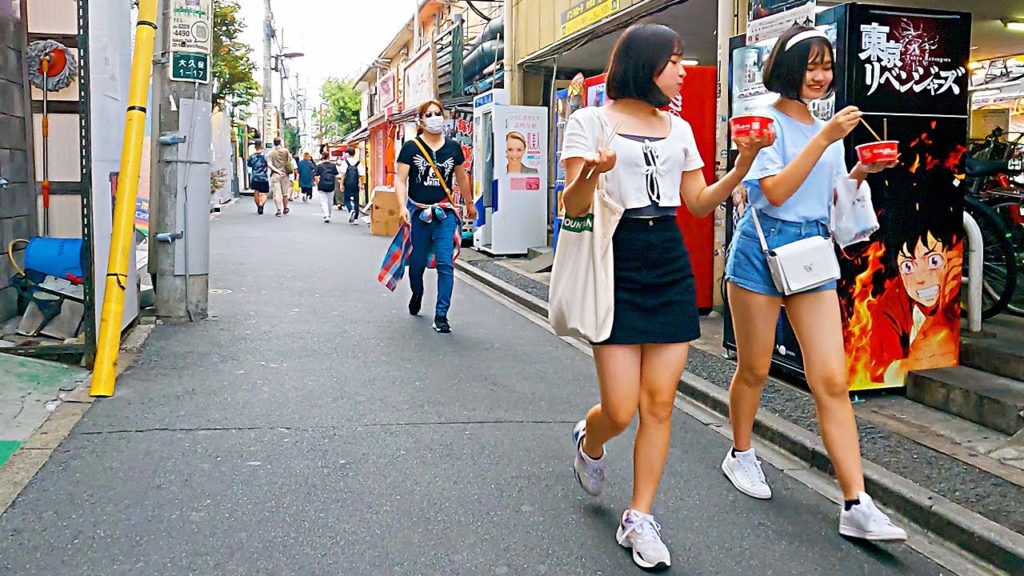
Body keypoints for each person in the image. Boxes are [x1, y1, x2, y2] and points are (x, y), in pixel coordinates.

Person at [560, 24, 772, 571]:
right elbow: (573, 207)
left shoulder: (680, 128)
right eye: (674, 60)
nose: (683, 69)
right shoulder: (590, 122)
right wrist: (593, 173)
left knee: (658, 404)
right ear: (645, 64)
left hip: (669, 262)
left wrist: (742, 166)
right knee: (620, 408)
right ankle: (590, 440)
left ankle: (639, 516)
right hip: (615, 261)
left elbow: (697, 202)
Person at [722, 24, 907, 542]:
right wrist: (825, 139)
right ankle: (740, 452)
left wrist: (861, 171)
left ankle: (856, 502)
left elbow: (829, 197)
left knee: (831, 379)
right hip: (761, 250)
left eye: (826, 67)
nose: (821, 77)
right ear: (788, 69)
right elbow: (776, 192)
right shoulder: (765, 124)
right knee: (754, 368)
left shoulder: (827, 129)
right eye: (811, 67)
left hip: (812, 253)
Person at [395, 99, 478, 334]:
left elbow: (461, 177)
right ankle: (417, 292)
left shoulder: (453, 148)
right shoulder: (411, 147)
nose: (434, 118)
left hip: (444, 213)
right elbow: (400, 180)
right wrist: (402, 207)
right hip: (418, 214)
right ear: (421, 121)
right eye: (429, 114)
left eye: (437, 113)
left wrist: (469, 203)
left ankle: (441, 315)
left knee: (445, 263)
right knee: (417, 262)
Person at [267, 138, 294, 217]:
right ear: (280, 142)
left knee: (277, 193)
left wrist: (278, 171)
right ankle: (285, 208)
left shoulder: (271, 153)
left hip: (275, 175)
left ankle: (278, 210)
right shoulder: (286, 151)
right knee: (285, 193)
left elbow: (269, 164)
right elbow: (290, 159)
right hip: (285, 174)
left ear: (273, 143)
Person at [313, 151, 340, 223]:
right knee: (330, 201)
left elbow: (316, 176)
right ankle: (329, 214)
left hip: (322, 185)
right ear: (328, 156)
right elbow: (337, 175)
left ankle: (326, 215)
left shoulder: (319, 166)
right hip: (331, 185)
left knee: (323, 201)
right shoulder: (333, 165)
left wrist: (318, 184)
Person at [247, 141, 270, 215]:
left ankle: (258, 207)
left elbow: (249, 165)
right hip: (264, 177)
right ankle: (261, 205)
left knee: (256, 192)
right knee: (264, 193)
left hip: (255, 177)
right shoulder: (265, 156)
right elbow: (269, 164)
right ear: (262, 146)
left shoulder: (252, 157)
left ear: (255, 147)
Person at [342, 148, 362, 223]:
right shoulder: (358, 162)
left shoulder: (345, 162)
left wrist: (341, 184)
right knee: (356, 201)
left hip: (347, 183)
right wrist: (360, 184)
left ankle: (351, 210)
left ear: (348, 153)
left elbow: (343, 174)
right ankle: (356, 219)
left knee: (346, 200)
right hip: (355, 183)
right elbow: (360, 175)